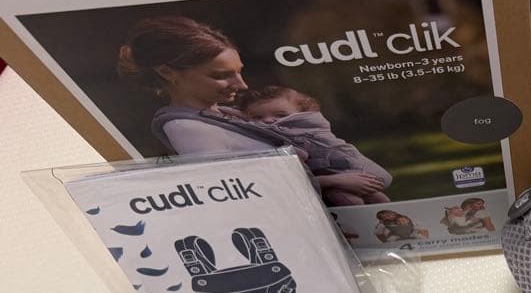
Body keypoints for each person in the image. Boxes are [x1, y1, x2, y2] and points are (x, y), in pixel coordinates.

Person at [116, 16, 386, 204]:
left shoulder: (226, 116)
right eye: (221, 75)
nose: (242, 85)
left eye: (239, 72)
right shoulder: (187, 129)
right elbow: (234, 192)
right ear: (167, 72)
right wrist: (334, 182)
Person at [235, 86, 391, 206]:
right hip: (315, 188)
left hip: (340, 173)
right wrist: (337, 180)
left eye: (281, 115)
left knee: (378, 198)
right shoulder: (262, 140)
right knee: (349, 200)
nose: (268, 120)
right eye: (257, 117)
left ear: (303, 113)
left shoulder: (312, 130)